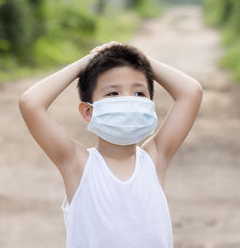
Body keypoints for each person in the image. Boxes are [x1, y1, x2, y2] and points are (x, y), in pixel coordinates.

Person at [18, 41, 203, 248]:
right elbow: (30, 103)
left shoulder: (154, 158)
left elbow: (191, 92)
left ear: (149, 105)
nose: (128, 100)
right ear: (88, 111)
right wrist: (86, 63)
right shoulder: (78, 165)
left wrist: (138, 58)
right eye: (113, 94)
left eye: (138, 93)